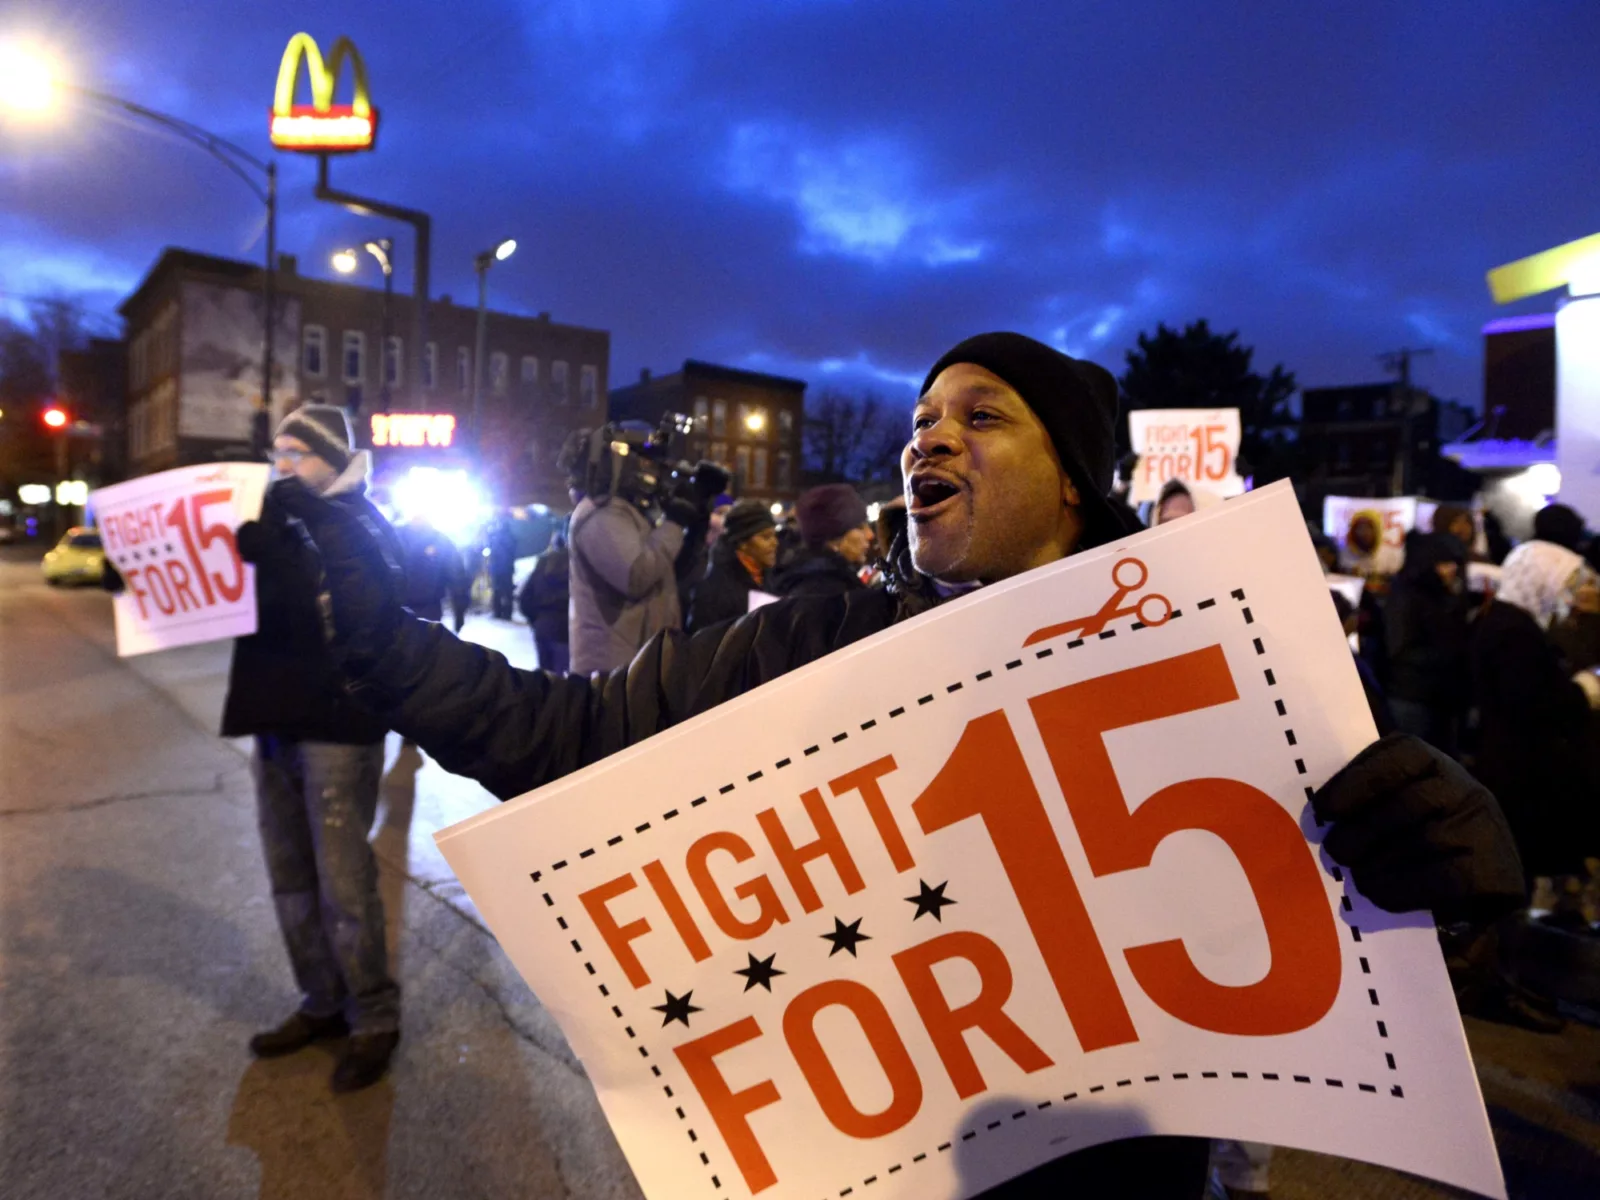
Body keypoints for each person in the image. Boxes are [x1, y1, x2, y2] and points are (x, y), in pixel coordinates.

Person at [274, 333, 1524, 1195]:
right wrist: (389, 648)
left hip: (1113, 1175)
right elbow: (568, 739)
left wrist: (1453, 858)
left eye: (981, 417)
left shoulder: (1198, 667)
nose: (929, 440)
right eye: (921, 420)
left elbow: (1369, 896)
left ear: (1078, 487)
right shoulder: (809, 643)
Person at [230, 405, 402, 1092]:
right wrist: (148, 588)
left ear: (334, 460)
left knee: (343, 885)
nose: (283, 465)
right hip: (273, 717)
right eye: (278, 453)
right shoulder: (269, 521)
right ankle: (322, 1001)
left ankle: (375, 1017)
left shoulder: (363, 524)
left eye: (298, 452)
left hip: (338, 726)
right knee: (291, 876)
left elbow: (376, 599)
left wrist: (297, 522)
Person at [1470, 538, 1600, 884]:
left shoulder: (1509, 620)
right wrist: (1581, 691)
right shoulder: (1514, 630)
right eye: (1564, 582)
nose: (1568, 593)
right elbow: (1530, 700)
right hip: (1518, 764)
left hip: (1511, 758)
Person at [1383, 531, 1469, 755]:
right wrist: (1447, 655)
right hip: (1411, 697)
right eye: (1444, 563)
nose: (1451, 569)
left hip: (1435, 697)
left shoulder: (1440, 595)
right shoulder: (1406, 596)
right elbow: (1400, 649)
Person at [687, 499, 779, 631]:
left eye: (774, 535)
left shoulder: (769, 579)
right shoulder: (714, 589)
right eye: (765, 537)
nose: (775, 543)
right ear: (743, 542)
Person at [772, 483, 874, 598]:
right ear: (834, 539)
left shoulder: (826, 580)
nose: (870, 535)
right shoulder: (824, 592)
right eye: (860, 527)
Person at [397, 514, 469, 632]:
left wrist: (459, 611)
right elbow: (457, 576)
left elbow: (457, 575)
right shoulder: (440, 540)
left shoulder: (394, 536)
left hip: (423, 606)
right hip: (420, 607)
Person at [518, 524, 572, 673]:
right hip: (566, 631)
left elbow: (525, 598)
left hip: (543, 628)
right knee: (564, 682)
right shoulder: (578, 565)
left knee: (546, 679)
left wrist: (536, 620)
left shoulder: (544, 563)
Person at [1339, 510, 1403, 585]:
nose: (1365, 532)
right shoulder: (1345, 554)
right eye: (1360, 528)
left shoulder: (1390, 554)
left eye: (1369, 528)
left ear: (1377, 530)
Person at [487, 513, 518, 620]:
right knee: (506, 592)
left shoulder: (496, 537)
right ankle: (506, 614)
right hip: (506, 569)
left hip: (498, 569)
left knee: (498, 591)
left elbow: (492, 551)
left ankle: (498, 613)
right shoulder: (511, 538)